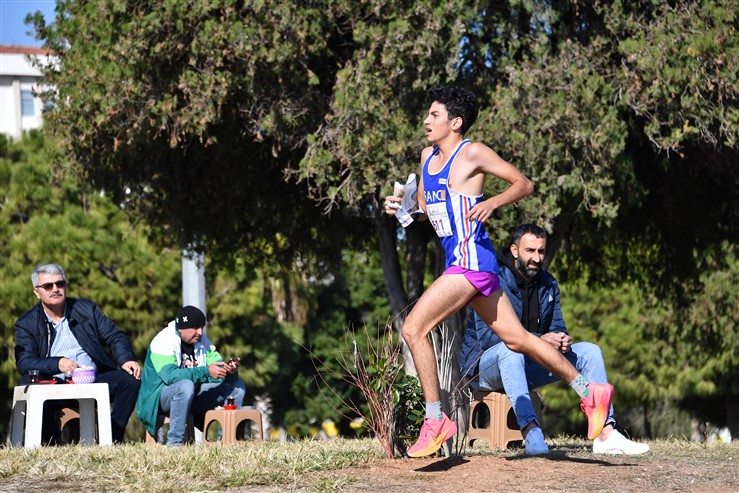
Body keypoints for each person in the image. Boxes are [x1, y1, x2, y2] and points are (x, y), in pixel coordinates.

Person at [384, 84, 613, 458]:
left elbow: (524, 184)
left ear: (455, 122)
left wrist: (493, 200)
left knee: (413, 327)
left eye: (435, 115)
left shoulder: (472, 152)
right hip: (468, 266)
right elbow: (430, 212)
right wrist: (405, 210)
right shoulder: (427, 157)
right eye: (427, 115)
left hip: (472, 263)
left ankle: (435, 419)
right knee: (519, 339)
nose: (426, 121)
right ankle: (591, 392)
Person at [461, 224, 650, 455]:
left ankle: (605, 434)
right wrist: (542, 340)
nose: (536, 258)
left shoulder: (548, 283)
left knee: (590, 351)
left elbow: (557, 327)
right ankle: (531, 433)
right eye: (530, 250)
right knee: (510, 351)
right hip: (485, 368)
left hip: (527, 364)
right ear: (514, 250)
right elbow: (491, 340)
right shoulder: (492, 281)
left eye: (541, 251)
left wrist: (562, 339)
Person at [14, 263, 142, 443]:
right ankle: (52, 442)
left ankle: (112, 436)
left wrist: (126, 359)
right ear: (37, 292)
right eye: (48, 286)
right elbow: (24, 362)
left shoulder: (86, 309)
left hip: (92, 379)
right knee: (28, 383)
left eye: (60, 284)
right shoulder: (26, 324)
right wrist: (57, 363)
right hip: (53, 383)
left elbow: (115, 336)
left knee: (130, 380)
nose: (55, 289)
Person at [136, 305, 246, 446]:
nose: (200, 332)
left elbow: (216, 367)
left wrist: (228, 371)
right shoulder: (163, 341)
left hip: (191, 395)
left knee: (237, 388)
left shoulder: (202, 341)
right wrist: (206, 371)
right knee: (185, 385)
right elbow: (170, 376)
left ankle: (226, 441)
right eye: (195, 328)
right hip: (159, 398)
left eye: (201, 327)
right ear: (181, 328)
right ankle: (175, 444)